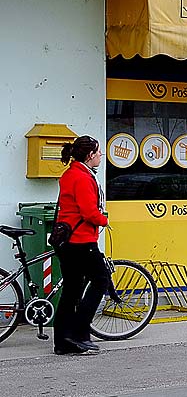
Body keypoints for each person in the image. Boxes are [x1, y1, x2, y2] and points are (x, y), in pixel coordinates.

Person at [53, 135, 109, 355]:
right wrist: (104, 219)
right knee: (100, 280)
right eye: (98, 152)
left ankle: (63, 341)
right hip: (81, 240)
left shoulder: (70, 173)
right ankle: (79, 333)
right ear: (90, 155)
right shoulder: (83, 177)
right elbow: (89, 212)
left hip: (67, 240)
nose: (101, 156)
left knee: (72, 290)